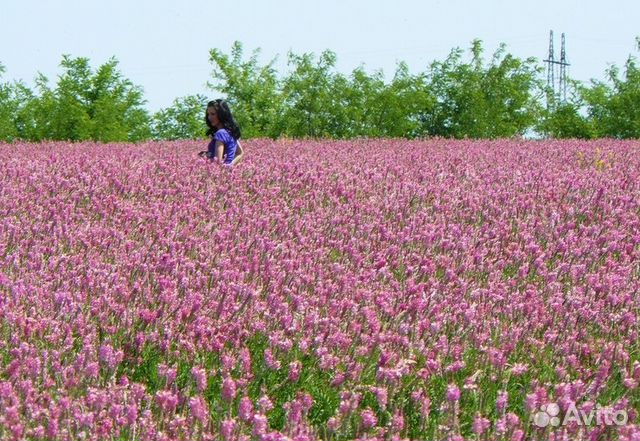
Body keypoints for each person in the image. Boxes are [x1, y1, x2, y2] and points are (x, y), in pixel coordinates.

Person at [198, 99, 244, 165]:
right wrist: (229, 165)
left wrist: (202, 162)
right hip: (227, 173)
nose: (209, 117)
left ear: (221, 115)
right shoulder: (230, 132)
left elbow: (217, 161)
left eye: (213, 114)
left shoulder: (220, 133)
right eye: (208, 114)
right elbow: (240, 153)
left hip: (218, 173)